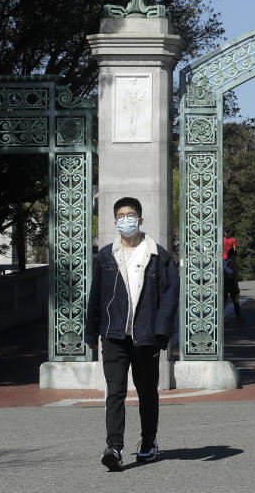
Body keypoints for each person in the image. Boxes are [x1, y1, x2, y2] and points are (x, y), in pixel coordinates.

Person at [85, 197, 179, 471]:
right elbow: (96, 297)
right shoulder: (105, 256)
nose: (126, 220)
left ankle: (148, 442)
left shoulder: (158, 255)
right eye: (122, 215)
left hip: (146, 336)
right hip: (114, 335)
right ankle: (114, 447)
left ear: (140, 220)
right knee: (114, 392)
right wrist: (92, 332)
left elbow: (169, 297)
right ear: (115, 221)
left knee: (147, 392)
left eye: (131, 215)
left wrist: (162, 333)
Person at [224, 247, 241, 321]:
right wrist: (237, 287)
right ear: (233, 255)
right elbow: (235, 275)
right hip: (232, 283)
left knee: (223, 302)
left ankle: (220, 319)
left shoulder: (225, 261)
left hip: (225, 283)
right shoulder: (233, 262)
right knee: (236, 301)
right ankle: (238, 317)